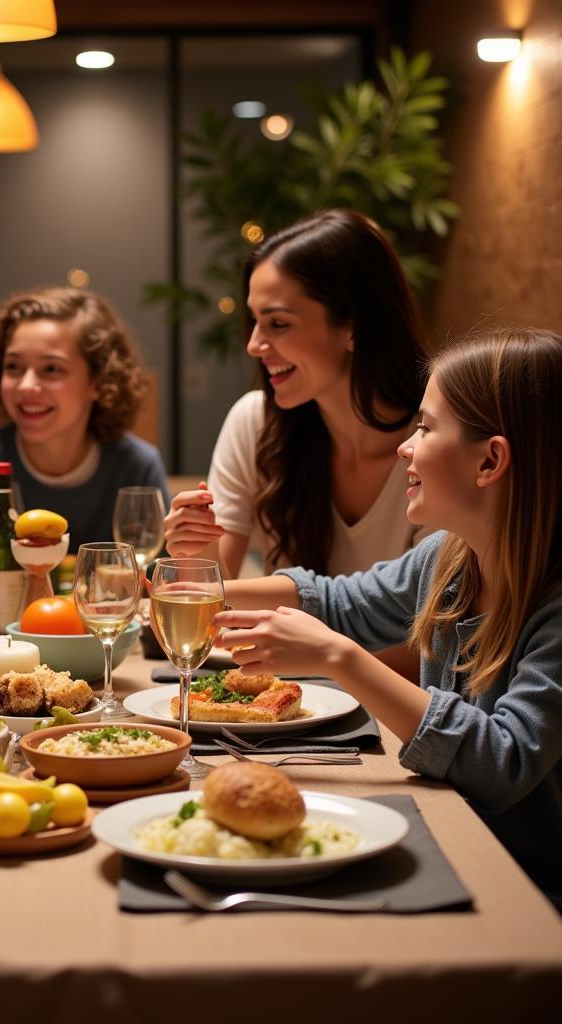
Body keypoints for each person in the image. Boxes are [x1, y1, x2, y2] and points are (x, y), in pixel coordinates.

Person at [214, 327, 562, 906]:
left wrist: (337, 656)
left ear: (490, 460)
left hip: (532, 893)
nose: (405, 446)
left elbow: (504, 760)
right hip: (459, 845)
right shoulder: (449, 559)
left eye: (426, 428)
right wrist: (207, 592)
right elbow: (340, 601)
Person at [164, 209, 429, 580]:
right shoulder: (256, 424)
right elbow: (212, 615)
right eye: (254, 321)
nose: (254, 345)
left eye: (278, 323)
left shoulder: (435, 447)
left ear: (353, 326)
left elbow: (434, 627)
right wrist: (196, 552)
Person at [0, 287, 170, 579]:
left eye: (51, 369)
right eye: (13, 366)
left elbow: (163, 571)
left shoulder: (135, 464)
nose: (27, 385)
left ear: (99, 381)